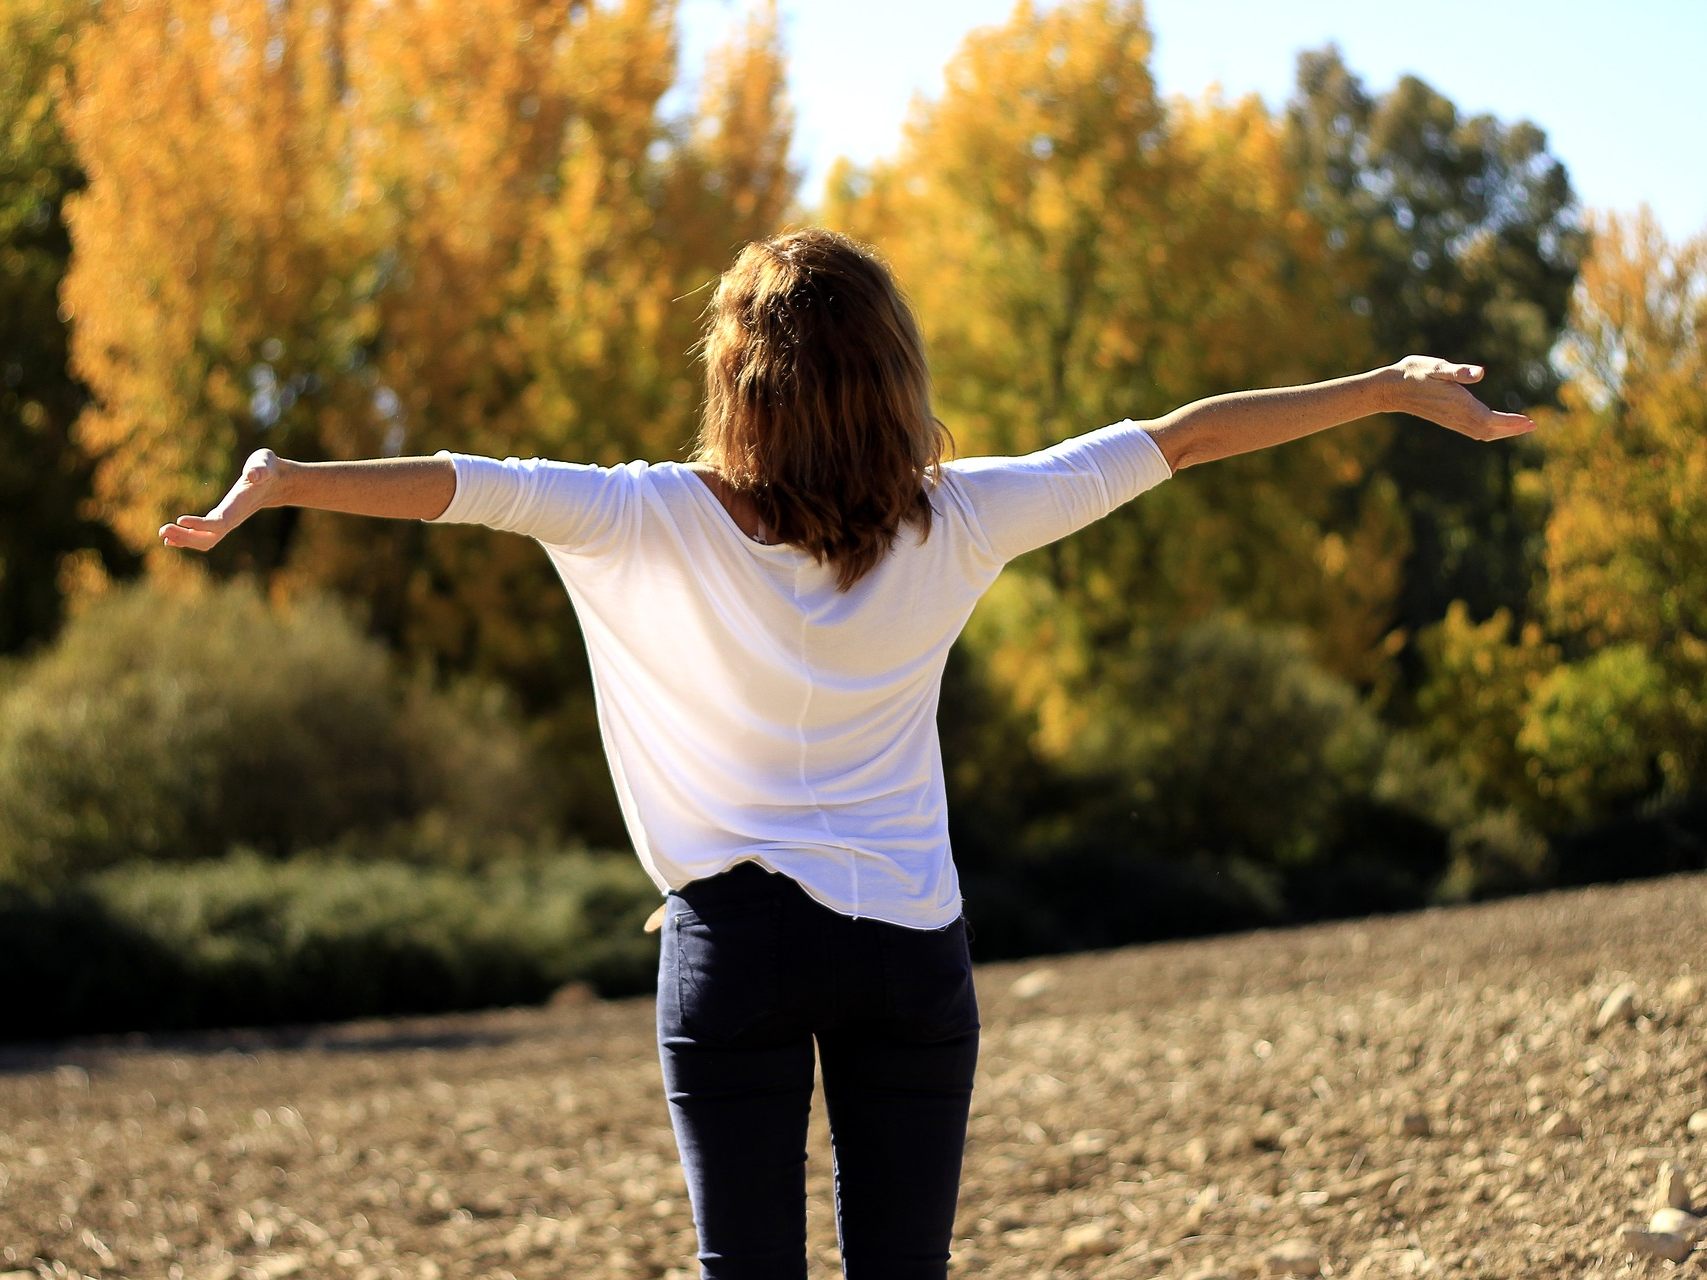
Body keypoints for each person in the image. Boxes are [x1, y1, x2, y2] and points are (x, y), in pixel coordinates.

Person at [158, 227, 1534, 1279]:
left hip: (733, 952)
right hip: (910, 954)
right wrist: (1388, 390)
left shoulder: (645, 518)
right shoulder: (966, 518)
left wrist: (285, 483)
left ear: (735, 382)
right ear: (893, 379)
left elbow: (462, 484)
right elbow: (1182, 439)